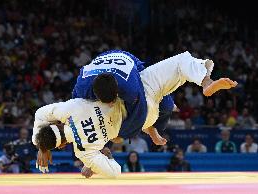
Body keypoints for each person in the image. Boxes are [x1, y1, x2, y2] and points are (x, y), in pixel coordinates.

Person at [33, 51, 237, 176]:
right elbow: (42, 115)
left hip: (141, 110)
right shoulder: (74, 104)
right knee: (181, 63)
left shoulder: (81, 139)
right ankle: (205, 81)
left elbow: (114, 156)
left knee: (151, 111)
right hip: (135, 79)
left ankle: (155, 128)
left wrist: (42, 145)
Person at [73, 50, 237, 146]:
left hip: (144, 102)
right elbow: (71, 112)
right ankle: (152, 126)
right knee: (178, 71)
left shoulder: (129, 88)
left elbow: (140, 112)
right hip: (135, 78)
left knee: (182, 60)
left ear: (117, 91)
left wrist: (121, 135)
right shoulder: (82, 86)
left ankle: (206, 82)